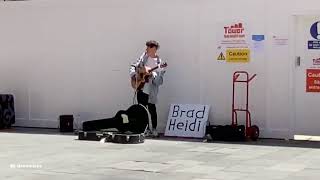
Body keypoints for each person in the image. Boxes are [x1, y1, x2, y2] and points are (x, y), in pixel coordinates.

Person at [129, 40, 166, 137]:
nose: (146, 49)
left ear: (154, 48)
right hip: (141, 87)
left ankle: (154, 128)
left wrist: (154, 75)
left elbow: (160, 81)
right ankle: (145, 129)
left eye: (148, 47)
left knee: (152, 109)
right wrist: (134, 76)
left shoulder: (159, 63)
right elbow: (133, 66)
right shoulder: (143, 58)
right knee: (141, 110)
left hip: (152, 90)